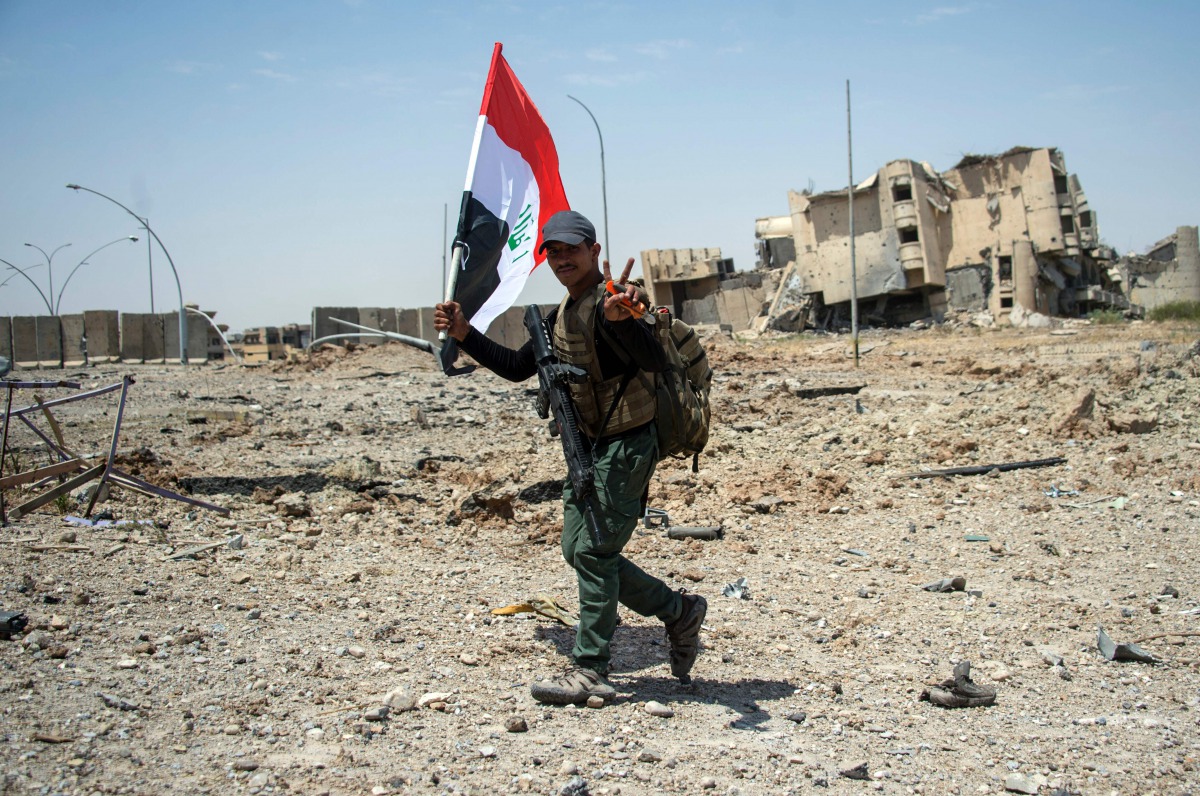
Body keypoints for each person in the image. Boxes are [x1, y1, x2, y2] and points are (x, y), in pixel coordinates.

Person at [434, 210, 706, 705]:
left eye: (570, 250)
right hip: (592, 447)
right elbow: (520, 367)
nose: (560, 259)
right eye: (552, 252)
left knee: (594, 550)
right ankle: (678, 611)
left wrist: (625, 320)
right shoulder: (565, 310)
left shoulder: (609, 303)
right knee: (577, 549)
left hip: (626, 445)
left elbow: (647, 355)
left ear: (594, 251)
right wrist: (464, 334)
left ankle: (591, 668)